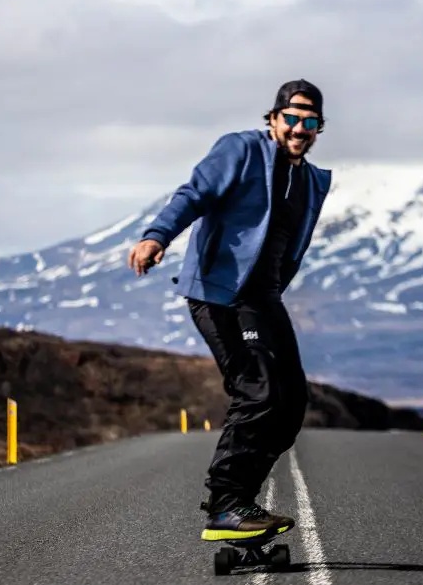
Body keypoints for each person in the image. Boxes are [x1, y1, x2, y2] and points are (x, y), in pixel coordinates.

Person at [127, 79, 332, 541]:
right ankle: (225, 504)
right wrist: (157, 235)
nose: (301, 128)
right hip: (220, 293)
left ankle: (240, 501)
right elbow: (194, 193)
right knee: (257, 391)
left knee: (292, 403)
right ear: (274, 118)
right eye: (293, 118)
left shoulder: (311, 180)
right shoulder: (240, 150)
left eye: (311, 121)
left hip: (263, 298)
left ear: (320, 128)